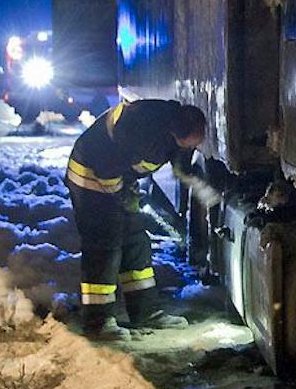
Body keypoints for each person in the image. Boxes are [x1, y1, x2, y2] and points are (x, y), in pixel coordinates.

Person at [65, 99, 208, 339]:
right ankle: (98, 323)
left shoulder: (173, 129)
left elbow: (178, 165)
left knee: (136, 242)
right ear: (176, 132)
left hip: (118, 182)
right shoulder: (140, 128)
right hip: (89, 179)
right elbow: (105, 166)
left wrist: (198, 185)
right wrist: (121, 195)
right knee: (105, 246)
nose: (193, 147)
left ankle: (145, 312)